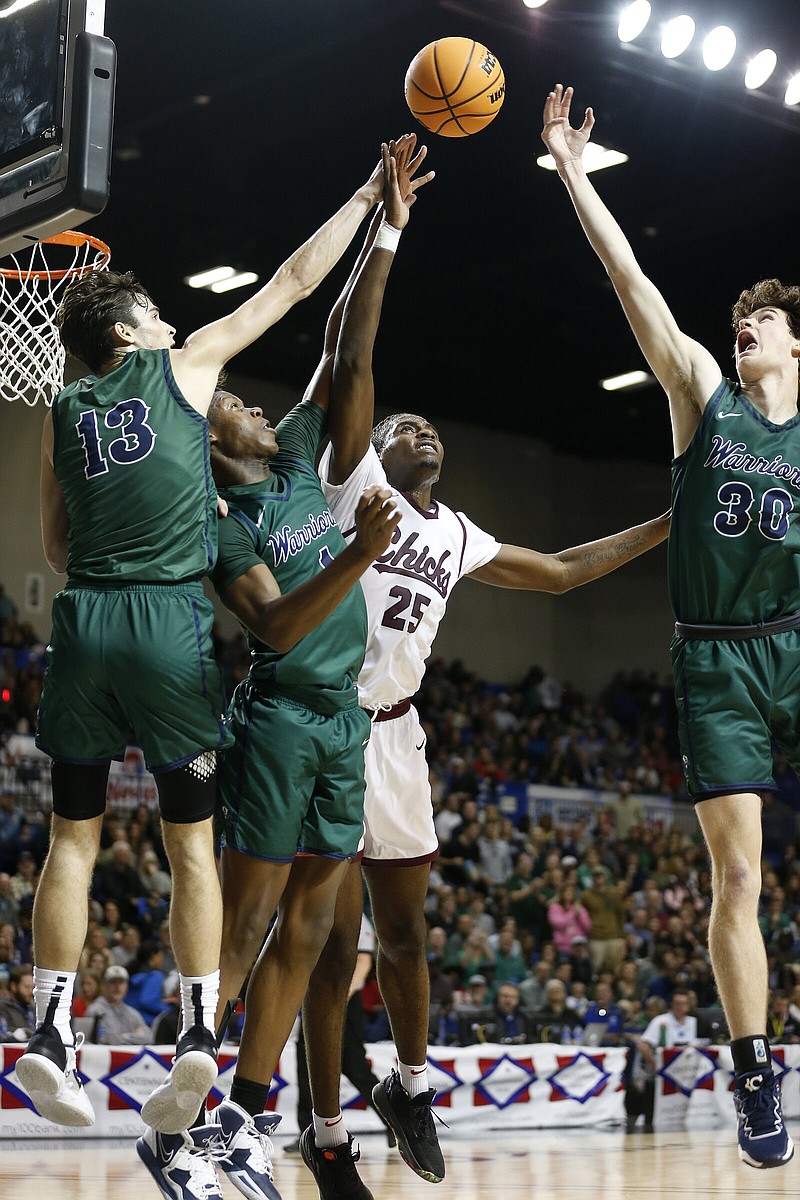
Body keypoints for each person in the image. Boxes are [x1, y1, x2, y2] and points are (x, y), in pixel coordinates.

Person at [298, 139, 671, 1199]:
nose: (423, 431)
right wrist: (388, 232)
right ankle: (325, 1134)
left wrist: (660, 523)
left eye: (430, 427)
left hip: (399, 733)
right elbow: (357, 361)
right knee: (330, 955)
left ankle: (409, 1085)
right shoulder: (350, 480)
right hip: (324, 720)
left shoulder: (456, 532)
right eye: (408, 423)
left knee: (407, 934)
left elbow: (556, 570)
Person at [17, 140, 400, 1137]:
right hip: (165, 627)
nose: (169, 318)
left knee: (72, 839)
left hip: (85, 624)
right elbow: (290, 283)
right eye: (153, 312)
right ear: (134, 333)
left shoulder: (60, 411)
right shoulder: (183, 371)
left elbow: (55, 551)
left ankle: (48, 1036)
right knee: (189, 847)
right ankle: (193, 1037)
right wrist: (364, 195)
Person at [139, 141, 426, 1200]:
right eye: (236, 407)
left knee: (314, 929)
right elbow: (274, 630)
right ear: (212, 438)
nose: (257, 405)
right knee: (254, 921)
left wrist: (385, 228)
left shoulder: (302, 459)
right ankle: (185, 1118)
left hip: (346, 725)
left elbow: (344, 354)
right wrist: (353, 557)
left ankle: (247, 1124)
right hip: (276, 721)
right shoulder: (222, 523)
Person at [541, 81, 800, 1168]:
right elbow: (628, 281)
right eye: (740, 318)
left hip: (791, 642)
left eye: (766, 318)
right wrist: (567, 164)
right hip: (715, 661)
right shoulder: (701, 391)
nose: (744, 322)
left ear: (795, 346)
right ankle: (754, 1070)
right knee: (734, 879)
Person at [285, 912, 396, 1154]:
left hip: (344, 998)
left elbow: (364, 962)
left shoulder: (356, 917)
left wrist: (340, 997)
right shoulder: (312, 908)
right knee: (306, 1063)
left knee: (354, 1065)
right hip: (313, 995)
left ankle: (393, 1120)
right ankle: (308, 1132)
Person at [627, 988, 698, 1131]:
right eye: (677, 1003)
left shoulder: (692, 1022)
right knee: (653, 1114)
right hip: (660, 1076)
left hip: (683, 1076)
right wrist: (656, 1067)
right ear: (672, 1005)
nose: (681, 1006)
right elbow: (643, 1046)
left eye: (684, 1003)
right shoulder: (661, 1021)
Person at [85, 965, 152, 1046]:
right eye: (112, 982)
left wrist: (119, 1037)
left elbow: (148, 1037)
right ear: (104, 985)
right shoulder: (95, 1010)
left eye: (121, 982)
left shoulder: (132, 1012)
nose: (117, 987)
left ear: (127, 986)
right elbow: (102, 1039)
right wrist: (134, 1036)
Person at [0, 964, 34, 1041]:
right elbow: (2, 1034)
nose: (31, 992)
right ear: (13, 986)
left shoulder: (34, 1008)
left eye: (32, 987)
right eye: (27, 987)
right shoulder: (2, 1007)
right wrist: (13, 1036)